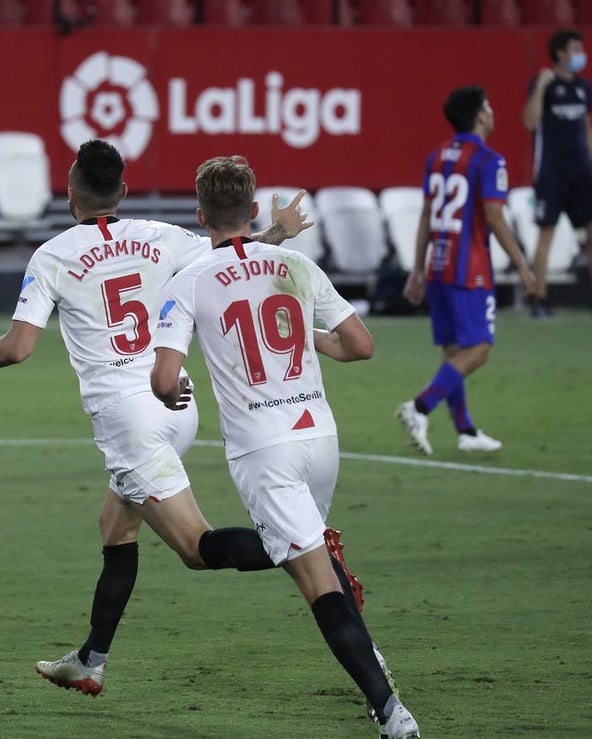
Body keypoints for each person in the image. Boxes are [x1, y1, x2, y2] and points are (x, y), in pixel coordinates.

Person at [0, 139, 327, 697]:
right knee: (116, 524)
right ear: (123, 192)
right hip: (176, 401)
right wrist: (278, 234)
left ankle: (306, 545)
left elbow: (18, 347)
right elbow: (232, 258)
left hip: (130, 422)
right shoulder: (164, 237)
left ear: (70, 193)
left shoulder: (53, 254)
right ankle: (90, 659)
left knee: (196, 550)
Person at [150, 155, 420, 739]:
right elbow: (360, 346)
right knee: (310, 560)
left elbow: (165, 379)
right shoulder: (296, 263)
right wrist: (304, 335)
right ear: (252, 212)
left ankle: (391, 712)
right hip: (319, 436)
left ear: (200, 215)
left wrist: (177, 395)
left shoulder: (188, 280)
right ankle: (369, 661)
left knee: (313, 578)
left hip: (262, 448)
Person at [398, 86, 537, 456]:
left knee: (454, 352)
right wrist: (523, 266)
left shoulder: (437, 155)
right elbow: (494, 216)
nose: (493, 112)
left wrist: (417, 269)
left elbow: (427, 214)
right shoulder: (489, 159)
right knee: (478, 350)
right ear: (479, 116)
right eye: (488, 107)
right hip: (469, 268)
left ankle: (466, 431)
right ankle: (420, 406)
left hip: (439, 265)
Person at [522, 29, 592, 318]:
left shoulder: (584, 87)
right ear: (560, 53)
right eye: (575, 49)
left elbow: (587, 129)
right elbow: (529, 121)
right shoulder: (544, 85)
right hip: (552, 172)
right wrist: (540, 85)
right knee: (546, 234)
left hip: (582, 172)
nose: (580, 54)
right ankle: (539, 299)